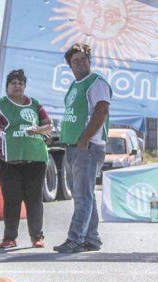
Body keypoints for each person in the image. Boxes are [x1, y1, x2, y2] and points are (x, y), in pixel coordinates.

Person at [0, 69, 52, 249]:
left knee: (34, 198)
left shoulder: (35, 104)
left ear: (25, 86)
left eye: (21, 83)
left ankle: (37, 237)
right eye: (13, 83)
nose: (17, 86)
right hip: (7, 160)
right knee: (12, 198)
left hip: (36, 159)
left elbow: (48, 125)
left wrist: (38, 130)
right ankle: (9, 238)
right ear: (7, 87)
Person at [54, 43, 112, 253]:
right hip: (74, 146)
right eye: (74, 61)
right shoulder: (75, 85)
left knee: (81, 196)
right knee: (86, 194)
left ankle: (75, 239)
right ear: (69, 65)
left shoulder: (96, 83)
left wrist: (84, 139)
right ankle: (91, 238)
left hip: (87, 147)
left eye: (82, 59)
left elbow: (101, 110)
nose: (79, 63)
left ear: (89, 60)